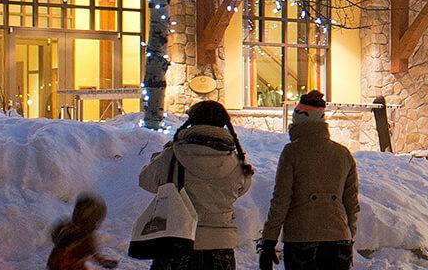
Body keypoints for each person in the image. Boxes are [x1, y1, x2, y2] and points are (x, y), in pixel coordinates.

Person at [140, 100, 254, 270]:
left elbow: (145, 180)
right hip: (220, 247)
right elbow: (242, 189)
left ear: (192, 121)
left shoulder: (173, 154)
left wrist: (163, 154)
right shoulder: (236, 160)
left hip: (176, 242)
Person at [259, 90, 360, 270]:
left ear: (298, 120)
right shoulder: (343, 154)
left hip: (301, 238)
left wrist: (269, 240)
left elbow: (281, 200)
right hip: (339, 239)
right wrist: (347, 233)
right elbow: (351, 203)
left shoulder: (292, 152)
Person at [49, 194, 119, 270]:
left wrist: (102, 261)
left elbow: (91, 251)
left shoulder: (70, 229)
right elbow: (63, 261)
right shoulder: (80, 237)